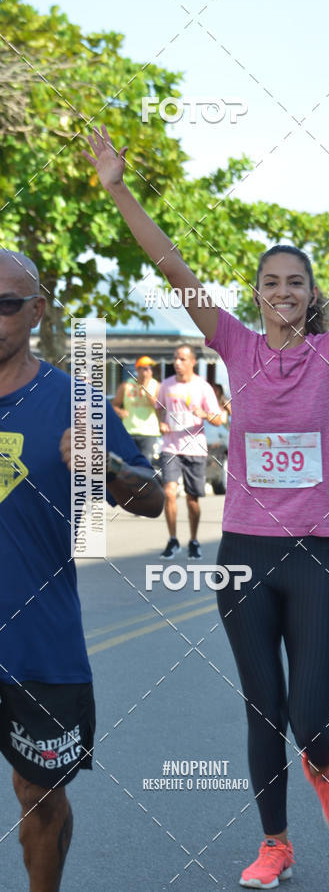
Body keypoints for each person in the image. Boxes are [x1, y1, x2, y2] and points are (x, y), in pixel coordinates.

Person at [84, 125, 329, 889]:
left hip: (316, 557)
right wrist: (117, 188)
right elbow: (170, 264)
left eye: (297, 282)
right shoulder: (229, 343)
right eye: (272, 283)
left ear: (310, 293)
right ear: (256, 294)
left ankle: (323, 761)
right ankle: (275, 845)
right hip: (244, 560)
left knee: (309, 717)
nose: (284, 292)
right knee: (263, 711)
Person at [0, 250, 164, 892]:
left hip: (39, 639)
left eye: (7, 304)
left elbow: (150, 499)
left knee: (39, 796)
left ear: (37, 312)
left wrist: (107, 469)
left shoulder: (77, 403)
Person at [156, 345, 225, 560]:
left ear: (192, 362)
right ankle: (173, 539)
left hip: (195, 448)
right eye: (175, 358)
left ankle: (193, 540)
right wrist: (161, 422)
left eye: (182, 359)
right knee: (169, 493)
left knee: (192, 499)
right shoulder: (166, 385)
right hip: (171, 447)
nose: (177, 363)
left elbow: (219, 418)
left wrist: (203, 413)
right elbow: (159, 407)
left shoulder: (203, 387)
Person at [111, 355, 161, 459]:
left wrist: (145, 387)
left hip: (149, 432)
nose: (149, 371)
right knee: (129, 462)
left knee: (146, 464)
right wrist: (120, 411)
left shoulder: (156, 385)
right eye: (146, 368)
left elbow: (157, 406)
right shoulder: (126, 385)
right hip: (129, 430)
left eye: (151, 368)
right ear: (138, 369)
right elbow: (114, 405)